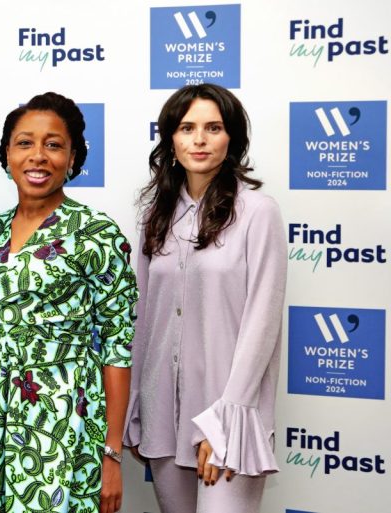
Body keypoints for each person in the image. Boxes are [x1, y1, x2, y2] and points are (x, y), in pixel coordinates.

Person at [0, 92, 137, 513]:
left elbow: (118, 349)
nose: (38, 156)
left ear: (73, 156)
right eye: (25, 143)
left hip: (68, 425)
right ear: (7, 154)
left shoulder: (96, 233)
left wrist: (111, 457)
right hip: (0, 428)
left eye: (54, 144)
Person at [123, 83, 287, 513]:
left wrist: (224, 422)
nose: (199, 139)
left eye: (213, 128)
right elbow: (142, 319)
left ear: (231, 138)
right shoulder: (154, 216)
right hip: (164, 411)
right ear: (171, 140)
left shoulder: (258, 212)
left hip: (228, 412)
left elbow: (262, 322)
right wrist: (137, 407)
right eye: (187, 128)